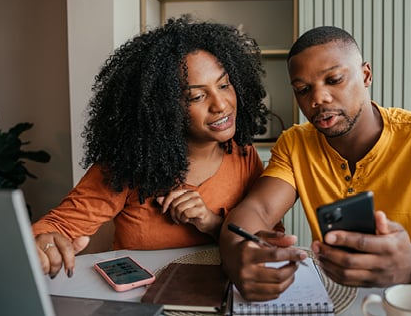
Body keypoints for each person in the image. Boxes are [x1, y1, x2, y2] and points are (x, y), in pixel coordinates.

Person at [219, 26, 411, 301]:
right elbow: (257, 211)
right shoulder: (295, 143)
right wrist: (237, 257)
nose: (319, 98)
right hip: (340, 302)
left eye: (334, 79)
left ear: (366, 74)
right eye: (303, 90)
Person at [33, 16, 270, 279]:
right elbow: (57, 226)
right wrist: (45, 243)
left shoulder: (244, 155)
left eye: (224, 85)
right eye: (196, 96)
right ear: (163, 107)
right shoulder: (128, 164)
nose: (221, 104)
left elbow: (268, 240)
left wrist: (212, 223)